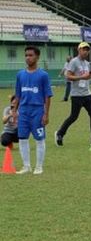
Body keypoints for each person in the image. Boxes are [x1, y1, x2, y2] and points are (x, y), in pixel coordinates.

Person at [55, 42, 91, 148]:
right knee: (73, 117)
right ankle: (60, 133)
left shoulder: (87, 63)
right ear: (79, 50)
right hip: (76, 95)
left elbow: (86, 77)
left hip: (87, 94)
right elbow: (68, 76)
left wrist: (89, 76)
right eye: (84, 49)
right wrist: (82, 77)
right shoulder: (74, 62)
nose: (86, 51)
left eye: (87, 49)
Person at [14, 46, 52, 175]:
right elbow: (18, 94)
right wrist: (14, 111)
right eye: (26, 55)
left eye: (30, 55)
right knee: (22, 138)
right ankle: (26, 166)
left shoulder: (43, 75)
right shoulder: (20, 74)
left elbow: (47, 96)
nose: (27, 58)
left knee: (39, 139)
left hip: (37, 111)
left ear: (37, 57)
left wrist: (46, 114)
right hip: (23, 111)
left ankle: (39, 166)